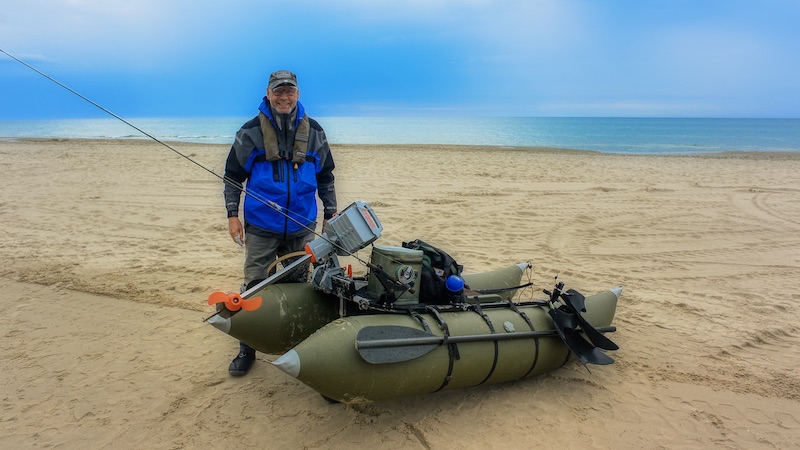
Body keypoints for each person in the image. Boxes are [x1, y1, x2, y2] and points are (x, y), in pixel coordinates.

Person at [222, 70, 337, 376]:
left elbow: (326, 177)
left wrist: (331, 213)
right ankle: (247, 348)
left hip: (302, 225)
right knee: (255, 286)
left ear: (297, 94)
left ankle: (295, 341)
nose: (284, 97)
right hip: (261, 226)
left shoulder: (315, 132)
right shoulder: (250, 132)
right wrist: (233, 215)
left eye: (289, 91)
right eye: (278, 91)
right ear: (268, 93)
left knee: (300, 285)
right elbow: (232, 176)